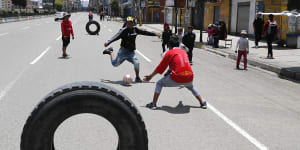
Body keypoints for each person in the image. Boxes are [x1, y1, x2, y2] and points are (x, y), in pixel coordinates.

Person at [143, 35, 207, 109]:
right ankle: (202, 103)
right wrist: (169, 71)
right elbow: (179, 65)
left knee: (159, 83)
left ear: (169, 46)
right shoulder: (183, 52)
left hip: (177, 77)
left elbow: (160, 68)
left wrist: (150, 76)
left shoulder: (170, 53)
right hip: (189, 76)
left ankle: (153, 104)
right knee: (191, 86)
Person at [103, 16, 160, 82]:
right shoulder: (123, 30)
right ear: (126, 23)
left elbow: (145, 32)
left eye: (131, 23)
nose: (129, 24)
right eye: (128, 23)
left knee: (137, 63)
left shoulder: (135, 29)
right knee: (114, 64)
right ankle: (110, 52)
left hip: (131, 53)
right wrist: (108, 42)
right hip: (123, 51)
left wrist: (155, 34)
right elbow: (116, 36)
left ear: (133, 23)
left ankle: (137, 77)